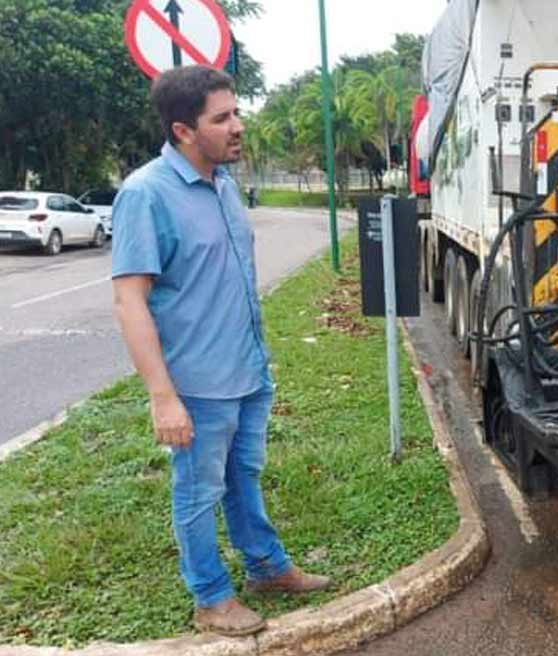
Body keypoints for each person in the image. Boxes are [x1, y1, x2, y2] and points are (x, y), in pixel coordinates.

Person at [111, 65, 331, 637]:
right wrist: (163, 397)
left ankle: (266, 567)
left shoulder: (224, 185)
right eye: (222, 118)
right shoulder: (145, 194)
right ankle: (210, 598)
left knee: (245, 476)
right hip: (198, 383)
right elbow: (130, 301)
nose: (238, 126)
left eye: (236, 112)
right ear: (184, 130)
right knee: (198, 491)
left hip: (247, 370)